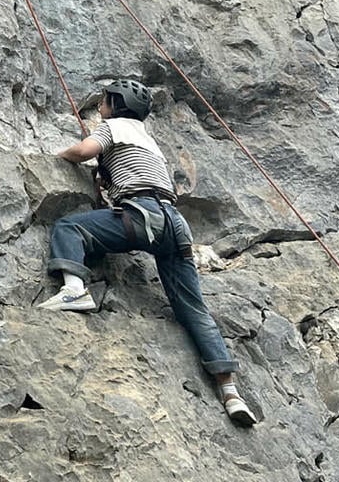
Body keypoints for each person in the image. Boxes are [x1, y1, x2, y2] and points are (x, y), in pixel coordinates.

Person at [38, 79, 259, 427]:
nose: (100, 108)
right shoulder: (149, 142)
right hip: (175, 224)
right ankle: (230, 392)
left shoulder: (114, 126)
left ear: (116, 104)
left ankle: (74, 291)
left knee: (70, 227)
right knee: (194, 310)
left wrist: (60, 155)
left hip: (141, 216)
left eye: (104, 102)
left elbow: (84, 151)